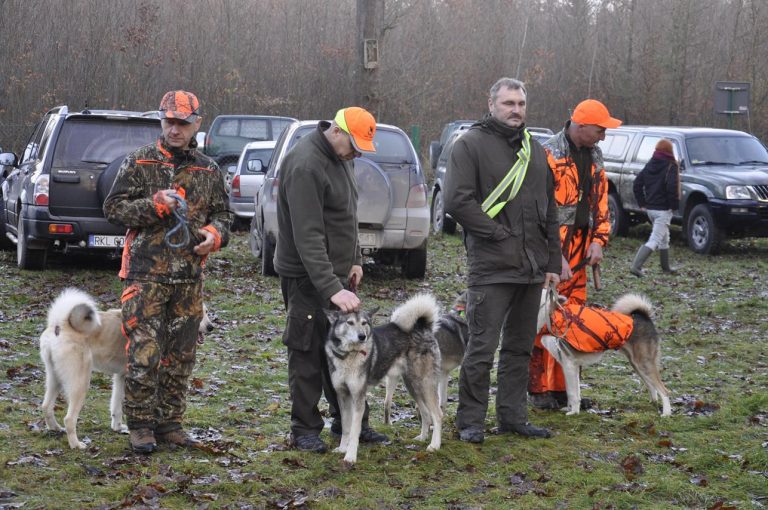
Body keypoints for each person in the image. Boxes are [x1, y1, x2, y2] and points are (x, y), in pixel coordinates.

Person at [104, 90, 232, 453]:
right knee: (143, 354)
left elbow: (225, 215)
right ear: (161, 121)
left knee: (181, 356)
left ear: (196, 124)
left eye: (182, 123)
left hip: (189, 280)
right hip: (145, 277)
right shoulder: (139, 163)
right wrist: (155, 206)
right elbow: (113, 209)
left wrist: (215, 235)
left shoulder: (209, 170)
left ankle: (170, 424)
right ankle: (141, 426)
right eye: (169, 122)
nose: (174, 129)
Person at [444, 78, 562, 444]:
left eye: (521, 103)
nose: (516, 110)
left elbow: (551, 211)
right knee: (481, 349)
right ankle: (471, 422)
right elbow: (457, 201)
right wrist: (495, 235)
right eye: (509, 103)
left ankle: (513, 417)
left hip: (531, 269)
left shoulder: (536, 151)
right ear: (491, 103)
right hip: (491, 268)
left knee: (520, 348)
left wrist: (553, 262)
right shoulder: (469, 146)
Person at [274, 107, 388, 453]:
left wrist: (354, 258)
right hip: (308, 278)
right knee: (308, 352)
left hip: (336, 276)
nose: (357, 153)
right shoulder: (305, 165)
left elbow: (346, 215)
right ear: (337, 132)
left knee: (349, 350)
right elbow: (307, 236)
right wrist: (332, 288)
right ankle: (305, 429)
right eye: (355, 145)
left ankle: (351, 424)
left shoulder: (342, 158)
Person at [528, 99, 622, 410]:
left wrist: (599, 241)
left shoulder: (595, 154)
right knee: (543, 323)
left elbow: (601, 203)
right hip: (552, 252)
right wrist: (554, 256)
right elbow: (539, 212)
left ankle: (564, 391)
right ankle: (539, 391)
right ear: (580, 126)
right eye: (600, 130)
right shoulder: (547, 153)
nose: (604, 136)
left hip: (582, 249)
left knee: (573, 323)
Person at [630, 138, 680, 276]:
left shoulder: (650, 164)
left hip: (650, 209)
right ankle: (636, 267)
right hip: (663, 210)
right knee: (655, 240)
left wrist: (642, 203)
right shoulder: (671, 165)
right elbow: (672, 187)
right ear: (670, 151)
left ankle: (666, 267)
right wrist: (674, 205)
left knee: (664, 237)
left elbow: (637, 184)